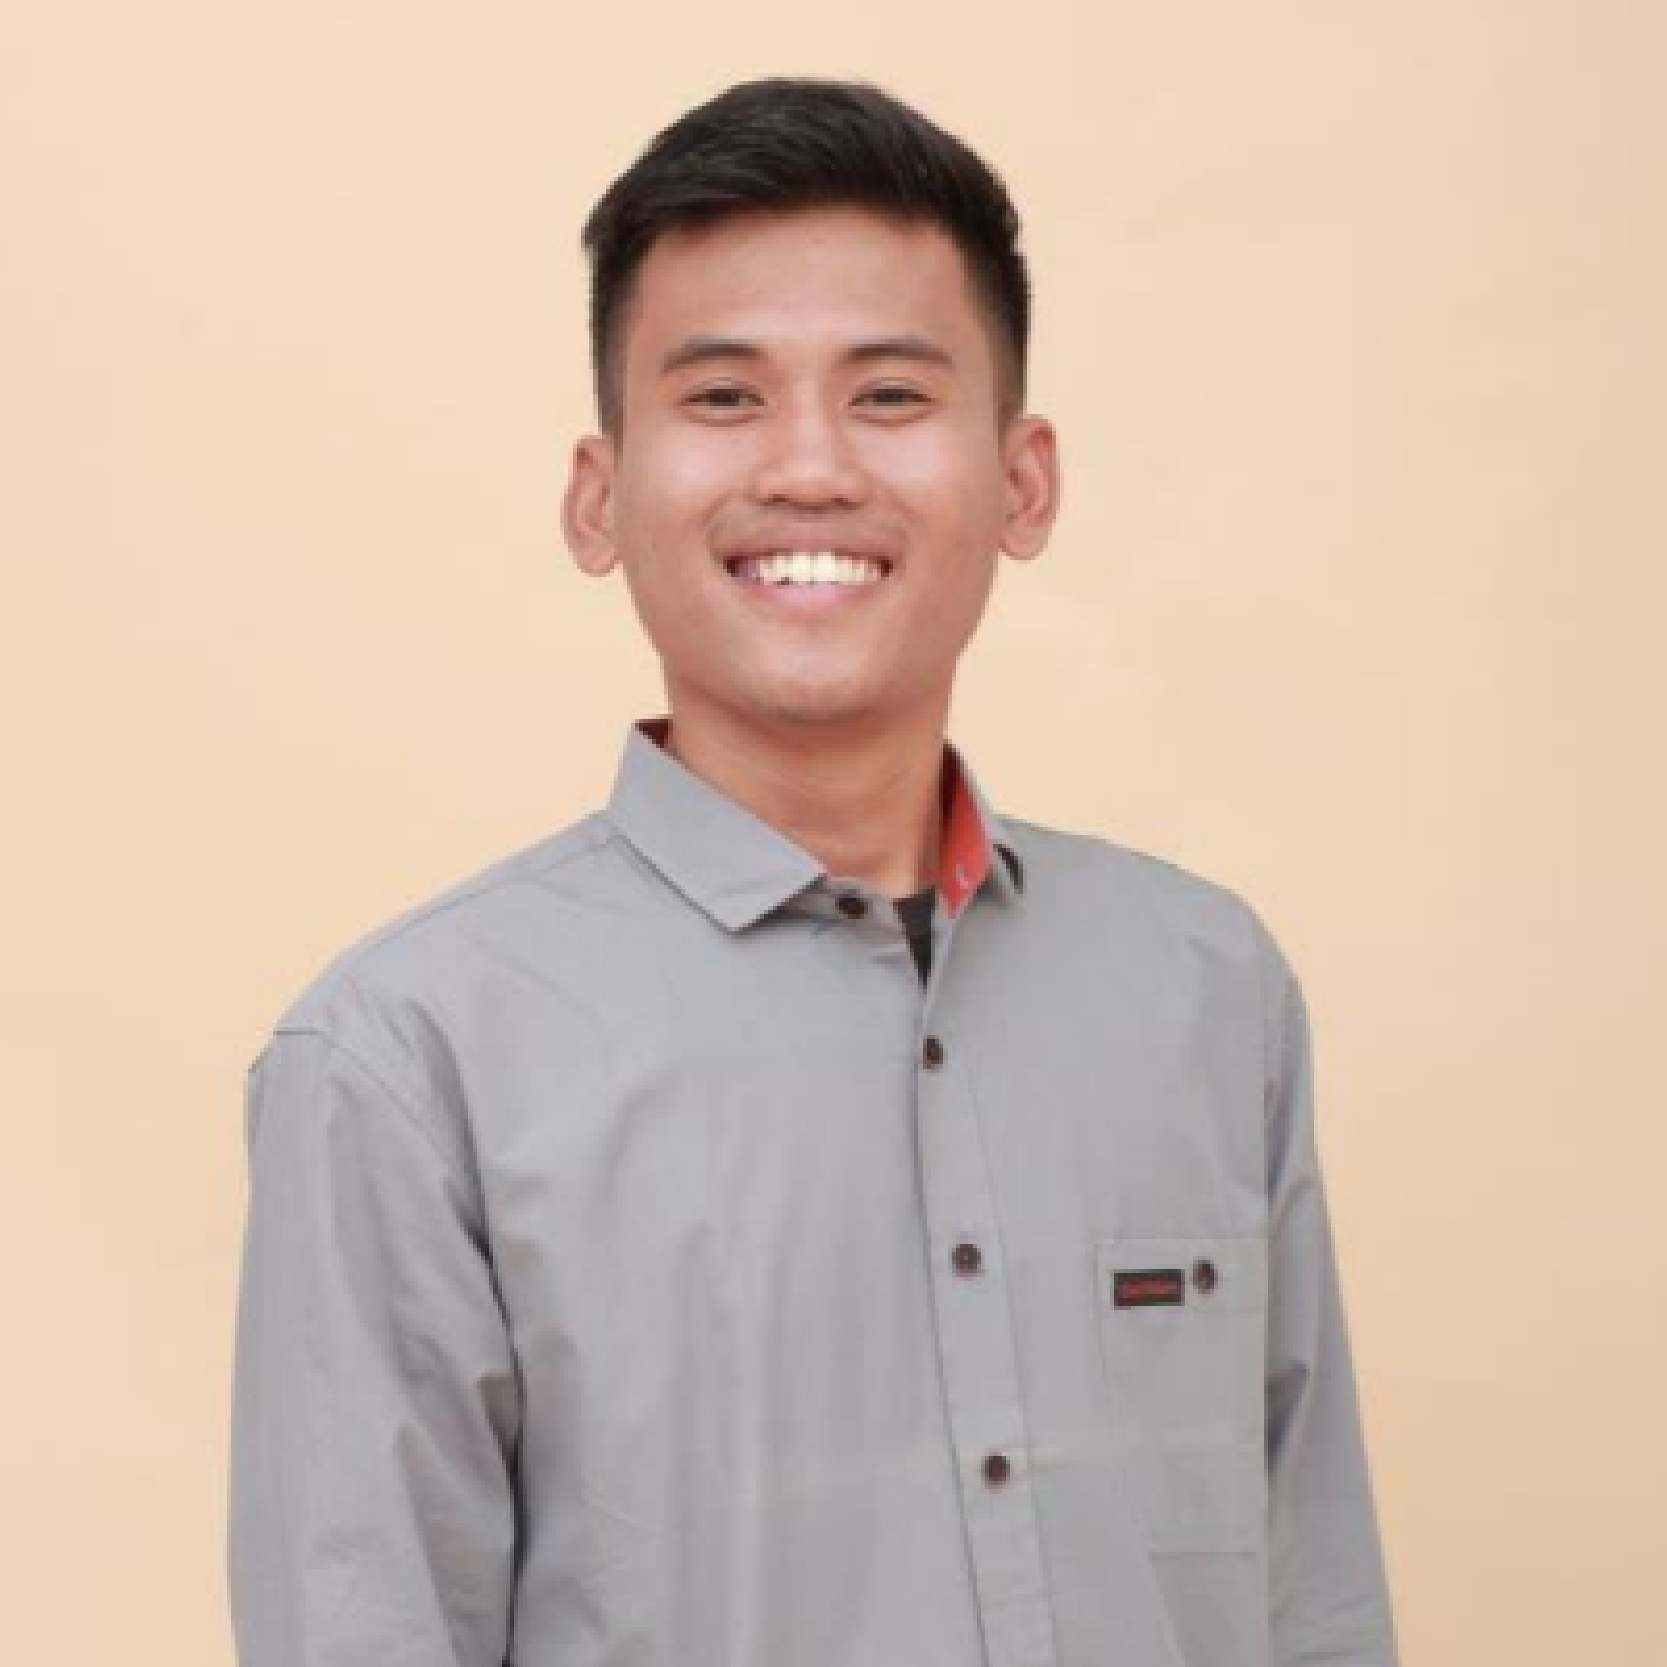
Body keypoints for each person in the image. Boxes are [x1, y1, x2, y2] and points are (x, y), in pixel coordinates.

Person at [227, 75, 1399, 1667]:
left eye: (890, 394)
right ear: (598, 496)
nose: (807, 468)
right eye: (722, 396)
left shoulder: (1206, 988)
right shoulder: (404, 1059)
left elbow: (1312, 1602)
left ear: (1022, 480)